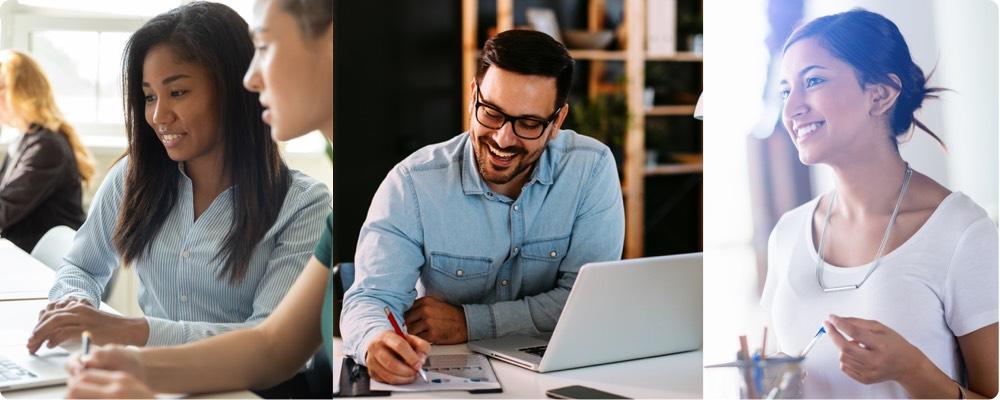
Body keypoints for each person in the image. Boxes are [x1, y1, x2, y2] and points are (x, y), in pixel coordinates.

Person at [62, 0, 335, 397]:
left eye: (178, 91)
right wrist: (117, 347)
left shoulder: (309, 203)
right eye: (149, 97)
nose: (157, 116)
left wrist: (138, 337)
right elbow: (272, 347)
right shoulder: (133, 177)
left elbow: (272, 350)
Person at [341, 29, 625, 384]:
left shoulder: (591, 168)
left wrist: (469, 322)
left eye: (529, 123)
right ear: (473, 95)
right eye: (491, 112)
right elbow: (370, 297)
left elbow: (583, 301)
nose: (503, 138)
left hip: (555, 375)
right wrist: (375, 341)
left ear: (557, 122)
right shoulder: (413, 183)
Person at [763, 8, 997, 398]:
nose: (791, 109)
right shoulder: (788, 233)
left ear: (881, 94)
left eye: (814, 81)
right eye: (786, 91)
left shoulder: (961, 231)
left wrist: (911, 368)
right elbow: (772, 367)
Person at [0, 50, 94, 252]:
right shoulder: (23, 142)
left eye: (2, 88)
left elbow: (4, 211)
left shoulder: (46, 148)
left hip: (49, 267)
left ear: (21, 93)